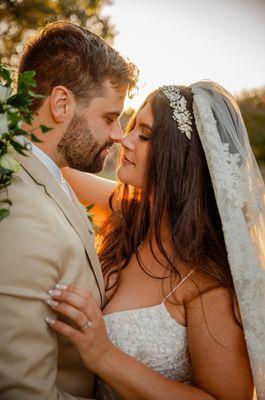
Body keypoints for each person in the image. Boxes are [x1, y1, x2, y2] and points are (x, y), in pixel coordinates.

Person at [47, 81, 265, 400]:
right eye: (132, 127)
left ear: (181, 160)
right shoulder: (132, 216)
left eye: (144, 135)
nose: (124, 139)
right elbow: (55, 169)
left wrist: (106, 357)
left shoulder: (207, 280)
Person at [0, 21, 138, 400]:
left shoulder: (50, 175)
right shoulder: (19, 215)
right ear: (62, 104)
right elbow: (23, 390)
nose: (118, 134)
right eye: (110, 117)